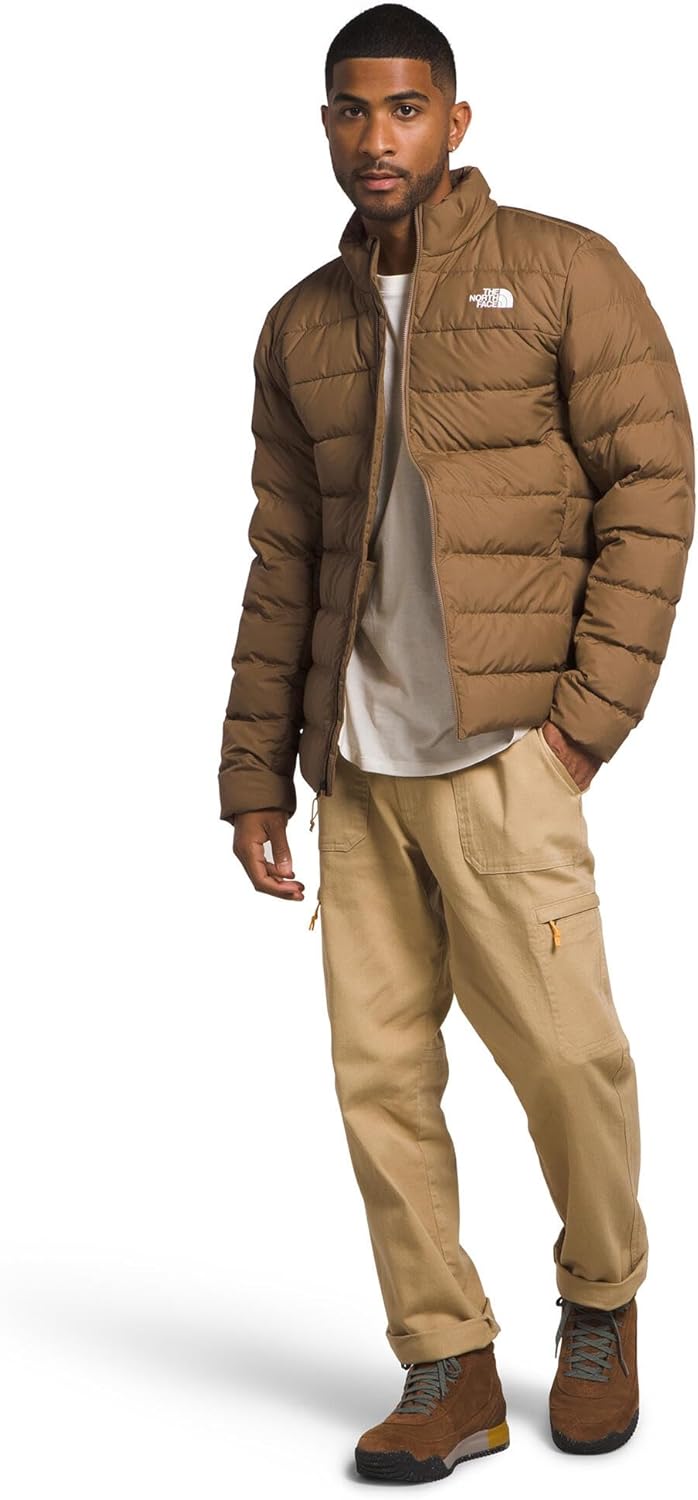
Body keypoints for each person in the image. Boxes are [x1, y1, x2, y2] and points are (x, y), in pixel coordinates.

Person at [218, 3, 695, 1479]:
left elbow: (653, 489)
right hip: (357, 773)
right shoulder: (301, 324)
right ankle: (448, 1364)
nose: (380, 138)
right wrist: (254, 772)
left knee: (569, 1063)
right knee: (379, 1086)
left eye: (407, 108)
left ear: (455, 122)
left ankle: (599, 1307)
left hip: (505, 756)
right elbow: (284, 557)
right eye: (354, 111)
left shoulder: (562, 271)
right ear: (325, 126)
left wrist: (580, 730)